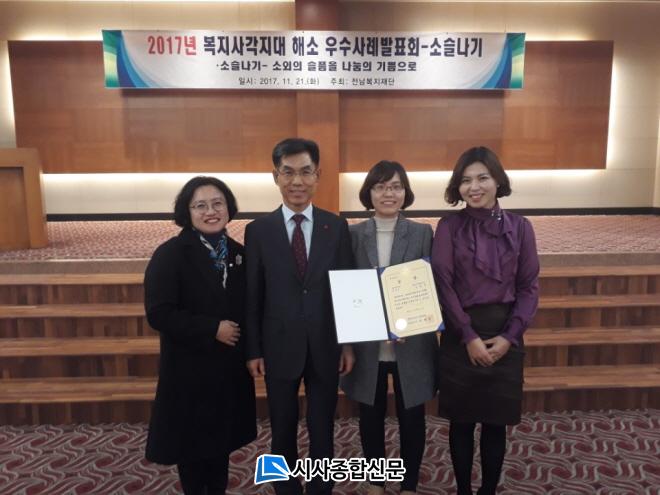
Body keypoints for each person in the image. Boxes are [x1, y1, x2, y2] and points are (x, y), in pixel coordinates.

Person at [244, 137, 355, 495]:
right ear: (275, 176)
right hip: (278, 346)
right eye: (288, 172)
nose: (297, 181)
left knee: (323, 426)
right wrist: (253, 349)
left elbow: (345, 289)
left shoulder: (335, 227)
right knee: (282, 426)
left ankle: (321, 488)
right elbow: (253, 296)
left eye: (306, 172)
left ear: (317, 176)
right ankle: (285, 488)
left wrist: (348, 344)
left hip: (326, 344)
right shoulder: (258, 231)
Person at [431, 146, 539, 495]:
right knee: (461, 424)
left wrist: (509, 337)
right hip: (461, 333)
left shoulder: (521, 227)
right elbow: (443, 284)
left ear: (497, 181)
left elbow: (528, 287)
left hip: (506, 333)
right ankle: (463, 489)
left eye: (482, 178)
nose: (474, 187)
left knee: (495, 424)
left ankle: (488, 489)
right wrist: (468, 335)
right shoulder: (448, 226)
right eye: (465, 180)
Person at [144, 176, 257, 495]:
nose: (211, 211)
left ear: (229, 207)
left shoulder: (238, 254)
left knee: (221, 447)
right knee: (192, 452)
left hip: (227, 372)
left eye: (218, 203)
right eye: (201, 205)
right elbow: (159, 313)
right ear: (187, 211)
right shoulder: (170, 254)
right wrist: (212, 328)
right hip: (189, 372)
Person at [340, 160, 437, 495]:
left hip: (412, 342)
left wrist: (416, 320)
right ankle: (376, 481)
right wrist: (350, 338)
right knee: (370, 416)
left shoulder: (423, 233)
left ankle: (409, 484)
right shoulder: (352, 235)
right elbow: (347, 288)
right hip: (368, 343)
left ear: (405, 192)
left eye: (396, 186)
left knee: (413, 417)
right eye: (380, 187)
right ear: (368, 192)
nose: (388, 193)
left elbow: (429, 287)